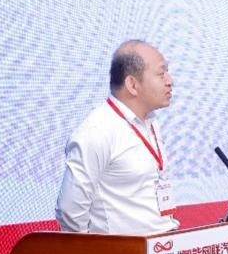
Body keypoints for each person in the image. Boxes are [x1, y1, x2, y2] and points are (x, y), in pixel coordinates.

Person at [55, 39, 179, 234]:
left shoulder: (150, 122)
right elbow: (70, 212)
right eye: (161, 74)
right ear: (132, 84)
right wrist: (99, 252)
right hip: (126, 251)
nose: (170, 81)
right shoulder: (97, 131)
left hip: (163, 245)